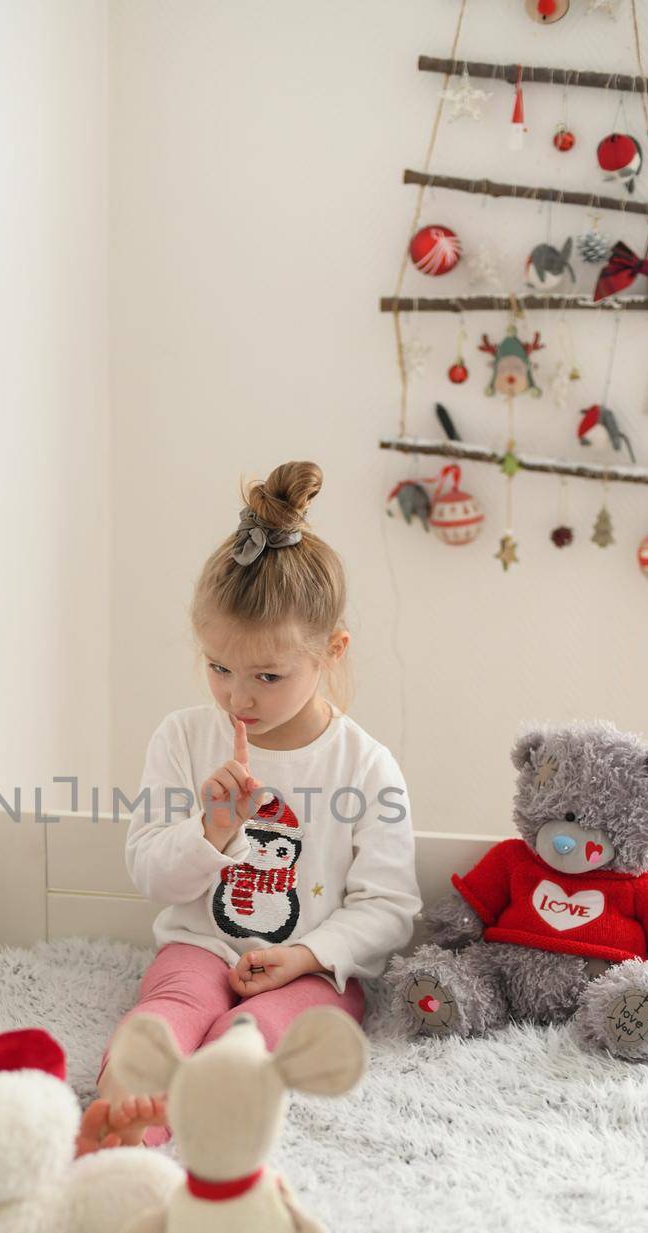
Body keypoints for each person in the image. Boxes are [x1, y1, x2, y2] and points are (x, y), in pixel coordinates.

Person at [76, 460, 421, 1154]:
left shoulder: (364, 766)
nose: (237, 698)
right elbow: (152, 875)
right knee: (171, 1007)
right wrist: (210, 831)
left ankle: (224, 1086)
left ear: (330, 652)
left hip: (309, 973)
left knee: (262, 1030)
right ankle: (126, 1113)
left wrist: (307, 955)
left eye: (267, 676)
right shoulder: (183, 738)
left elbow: (388, 908)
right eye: (217, 667)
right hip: (201, 946)